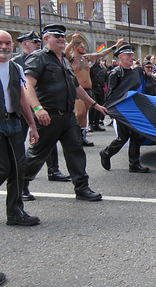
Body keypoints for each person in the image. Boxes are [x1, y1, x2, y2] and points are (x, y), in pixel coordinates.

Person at [22, 24, 108, 202]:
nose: (61, 39)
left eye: (63, 37)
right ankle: (20, 184)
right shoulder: (38, 58)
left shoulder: (64, 61)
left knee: (76, 150)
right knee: (38, 153)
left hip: (68, 116)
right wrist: (38, 109)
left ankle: (82, 188)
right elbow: (28, 85)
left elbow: (76, 88)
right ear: (46, 39)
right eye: (56, 36)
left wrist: (95, 104)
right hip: (49, 116)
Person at [12, 31, 70, 185]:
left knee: (48, 140)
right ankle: (17, 171)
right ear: (24, 44)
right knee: (20, 140)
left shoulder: (46, 58)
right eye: (34, 41)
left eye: (39, 41)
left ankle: (53, 170)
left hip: (40, 106)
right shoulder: (16, 61)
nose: (38, 44)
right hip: (22, 107)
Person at [0, 30, 40, 226]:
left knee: (18, 167)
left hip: (14, 122)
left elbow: (22, 98)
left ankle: (15, 213)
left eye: (8, 43)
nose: (5, 47)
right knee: (4, 167)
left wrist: (32, 125)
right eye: (1, 43)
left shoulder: (15, 67)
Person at [64, 33, 123, 146]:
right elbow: (65, 53)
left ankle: (82, 137)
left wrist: (116, 46)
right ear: (75, 48)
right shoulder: (71, 58)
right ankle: (73, 136)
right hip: (78, 90)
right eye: (82, 46)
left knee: (84, 113)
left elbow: (101, 53)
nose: (84, 48)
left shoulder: (86, 58)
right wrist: (72, 42)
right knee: (79, 113)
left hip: (88, 90)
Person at [99, 45, 151, 173]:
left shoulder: (135, 72)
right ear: (120, 57)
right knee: (122, 137)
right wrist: (113, 112)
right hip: (123, 110)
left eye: (132, 55)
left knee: (136, 136)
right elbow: (111, 95)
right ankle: (106, 153)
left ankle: (134, 164)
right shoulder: (115, 73)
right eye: (129, 56)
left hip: (134, 109)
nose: (132, 58)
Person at [88, 59, 108, 131]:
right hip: (92, 88)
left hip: (100, 88)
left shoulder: (103, 68)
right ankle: (90, 124)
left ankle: (97, 124)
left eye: (99, 58)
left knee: (100, 106)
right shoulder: (90, 68)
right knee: (93, 106)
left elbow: (106, 79)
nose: (98, 60)